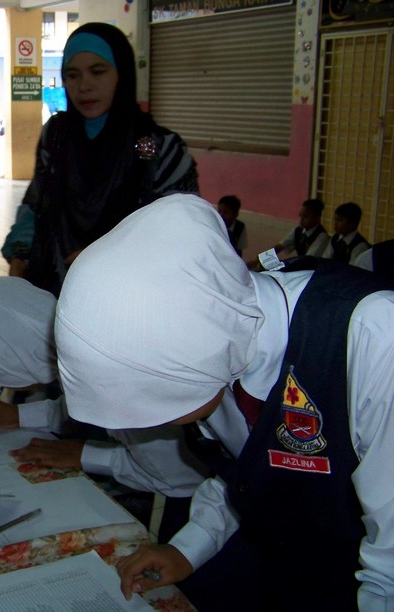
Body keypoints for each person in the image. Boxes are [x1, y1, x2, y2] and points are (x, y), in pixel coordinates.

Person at [54, 193, 394, 611]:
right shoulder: (216, 342)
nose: (149, 423)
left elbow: (389, 566)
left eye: (154, 400)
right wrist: (188, 547)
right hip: (281, 560)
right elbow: (246, 472)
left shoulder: (374, 339)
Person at [0, 276, 209, 543]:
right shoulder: (76, 342)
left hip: (198, 507)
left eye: (3, 373)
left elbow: (179, 475)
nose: (4, 385)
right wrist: (18, 415)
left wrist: (84, 454)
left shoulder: (111, 382)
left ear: (20, 357)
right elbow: (79, 404)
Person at [1, 22, 198, 296]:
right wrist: (19, 256)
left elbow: (180, 233)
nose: (84, 86)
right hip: (55, 289)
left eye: (98, 71)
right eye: (73, 75)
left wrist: (101, 258)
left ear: (122, 74)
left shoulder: (161, 149)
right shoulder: (56, 136)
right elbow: (36, 203)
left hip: (130, 296)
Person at [248, 197, 329, 268]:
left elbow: (307, 259)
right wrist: (258, 261)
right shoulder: (298, 231)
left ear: (317, 218)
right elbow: (278, 247)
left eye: (306, 217)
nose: (301, 220)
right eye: (300, 216)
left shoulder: (322, 237)